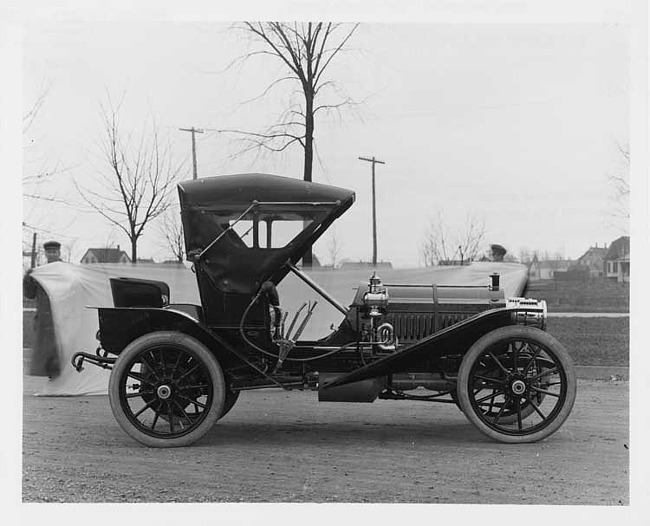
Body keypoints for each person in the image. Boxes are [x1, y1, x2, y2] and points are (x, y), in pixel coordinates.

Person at [23, 240, 62, 378]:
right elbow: (30, 294)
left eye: (54, 252)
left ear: (59, 253)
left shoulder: (65, 271)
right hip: (45, 319)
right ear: (45, 254)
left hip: (62, 318)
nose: (52, 255)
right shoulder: (39, 273)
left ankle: (60, 379)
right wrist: (28, 279)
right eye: (49, 252)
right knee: (46, 351)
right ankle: (53, 380)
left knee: (61, 350)